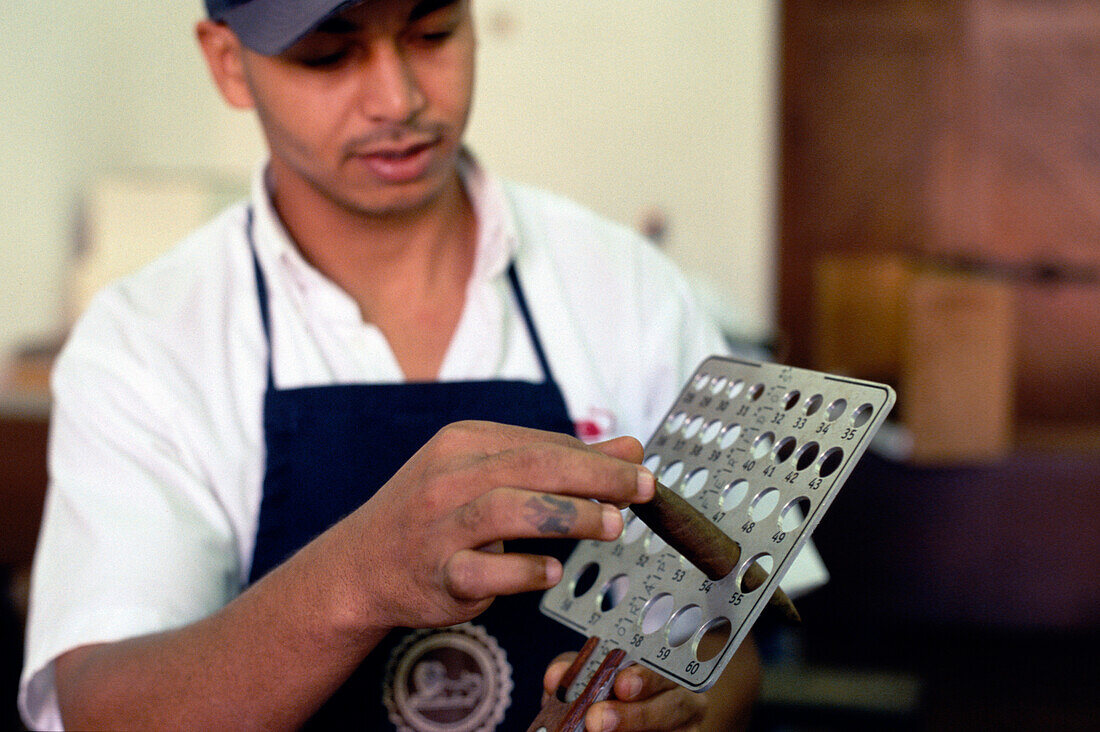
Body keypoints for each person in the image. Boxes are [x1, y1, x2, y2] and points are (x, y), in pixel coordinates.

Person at [19, 1, 828, 729]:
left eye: (432, 33)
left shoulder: (625, 289)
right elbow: (104, 706)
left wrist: (675, 710)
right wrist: (359, 575)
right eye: (329, 55)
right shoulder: (148, 341)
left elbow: (729, 644)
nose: (398, 98)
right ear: (229, 62)